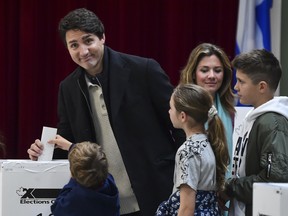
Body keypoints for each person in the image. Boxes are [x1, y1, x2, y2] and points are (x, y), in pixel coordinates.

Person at [27, 8, 184, 216]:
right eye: (74, 45)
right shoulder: (68, 88)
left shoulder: (143, 70)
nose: (83, 51)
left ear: (102, 37)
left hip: (157, 194)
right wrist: (41, 152)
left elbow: (182, 126)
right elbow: (66, 143)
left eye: (88, 41)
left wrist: (185, 179)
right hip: (105, 202)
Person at [220, 49, 288, 216]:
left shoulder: (272, 122)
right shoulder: (254, 117)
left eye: (241, 82)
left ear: (262, 86)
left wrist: (230, 188)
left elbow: (274, 178)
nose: (235, 87)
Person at [156, 84, 229, 215]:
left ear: (183, 116)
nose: (169, 111)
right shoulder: (210, 142)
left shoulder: (187, 151)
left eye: (171, 108)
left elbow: (186, 209)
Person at [179, 43, 235, 180]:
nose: (212, 76)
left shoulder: (231, 111)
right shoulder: (180, 108)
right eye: (204, 70)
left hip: (226, 191)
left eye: (217, 70)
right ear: (193, 74)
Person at [50, 135, 120, 216]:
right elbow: (92, 161)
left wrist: (72, 181)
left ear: (74, 174)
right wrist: (71, 147)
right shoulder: (110, 183)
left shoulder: (74, 197)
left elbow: (56, 209)